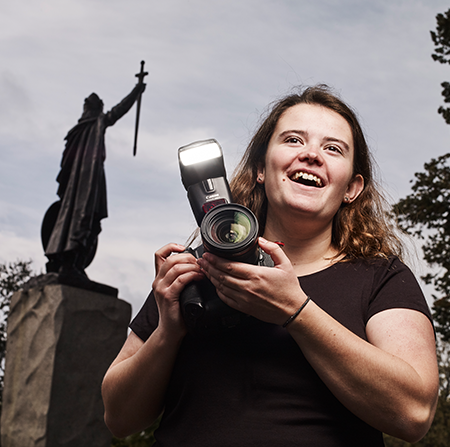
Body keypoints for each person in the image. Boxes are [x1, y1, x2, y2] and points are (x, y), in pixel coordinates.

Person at [102, 85, 439, 446]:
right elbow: (119, 418)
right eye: (293, 140)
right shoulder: (197, 268)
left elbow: (413, 413)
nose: (311, 155)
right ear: (261, 169)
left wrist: (296, 310)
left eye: (333, 148)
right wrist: (169, 331)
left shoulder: (381, 276)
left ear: (352, 188)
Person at [44, 83, 145, 277]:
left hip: (80, 184)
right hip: (87, 182)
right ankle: (70, 264)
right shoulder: (95, 124)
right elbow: (118, 110)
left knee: (86, 221)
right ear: (97, 108)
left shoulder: (77, 130)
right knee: (85, 219)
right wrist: (136, 90)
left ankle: (74, 265)